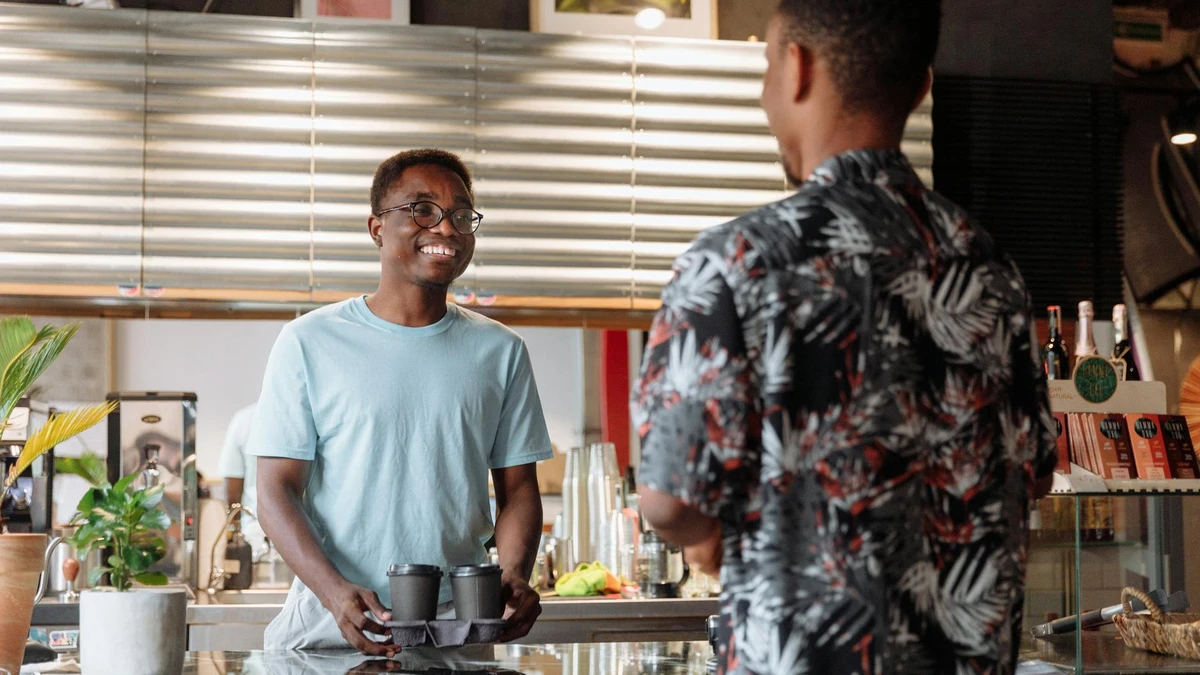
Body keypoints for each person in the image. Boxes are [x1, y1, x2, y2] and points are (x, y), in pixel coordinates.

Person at [631, 1, 1057, 673]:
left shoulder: (736, 263)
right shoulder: (992, 270)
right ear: (921, 88)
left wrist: (704, 534)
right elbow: (1031, 472)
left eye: (767, 63)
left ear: (796, 69)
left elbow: (669, 497)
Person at [250, 149, 553, 654]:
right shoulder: (309, 341)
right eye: (422, 209)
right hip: (332, 630)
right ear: (376, 227)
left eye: (461, 214)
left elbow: (519, 490)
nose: (447, 229)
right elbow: (275, 490)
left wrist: (514, 575)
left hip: (457, 635)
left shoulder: (501, 351)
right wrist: (332, 592)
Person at [218, 402, 267, 559]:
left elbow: (232, 492)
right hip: (306, 533)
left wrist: (232, 535)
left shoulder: (245, 420)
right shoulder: (309, 413)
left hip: (256, 533)